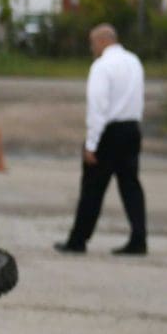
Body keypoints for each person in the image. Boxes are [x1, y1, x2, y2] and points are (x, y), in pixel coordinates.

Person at [57, 22, 146, 256]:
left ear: (102, 40)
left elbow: (98, 107)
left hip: (109, 133)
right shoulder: (134, 61)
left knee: (92, 188)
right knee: (131, 187)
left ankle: (78, 239)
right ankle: (139, 238)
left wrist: (91, 143)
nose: (92, 48)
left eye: (92, 43)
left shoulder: (102, 66)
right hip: (132, 129)